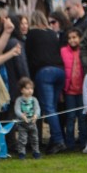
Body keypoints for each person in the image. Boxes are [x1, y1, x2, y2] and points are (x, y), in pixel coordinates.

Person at [25, 10, 67, 154]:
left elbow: (29, 58)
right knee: (53, 108)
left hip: (44, 72)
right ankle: (54, 140)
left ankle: (58, 140)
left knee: (48, 109)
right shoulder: (52, 34)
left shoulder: (31, 35)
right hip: (60, 71)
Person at [61, 27, 87, 152]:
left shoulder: (83, 51)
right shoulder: (63, 51)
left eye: (75, 37)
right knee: (70, 117)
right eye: (70, 38)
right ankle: (69, 144)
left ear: (80, 38)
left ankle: (83, 142)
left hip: (82, 90)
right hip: (69, 91)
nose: (72, 40)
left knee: (82, 118)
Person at [13, 77, 41, 160]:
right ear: (21, 90)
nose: (30, 90)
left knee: (35, 138)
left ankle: (36, 152)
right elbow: (17, 110)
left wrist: (36, 115)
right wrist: (22, 115)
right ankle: (21, 153)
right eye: (27, 88)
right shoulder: (19, 100)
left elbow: (37, 109)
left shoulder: (34, 100)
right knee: (22, 139)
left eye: (31, 88)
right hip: (22, 124)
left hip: (32, 123)